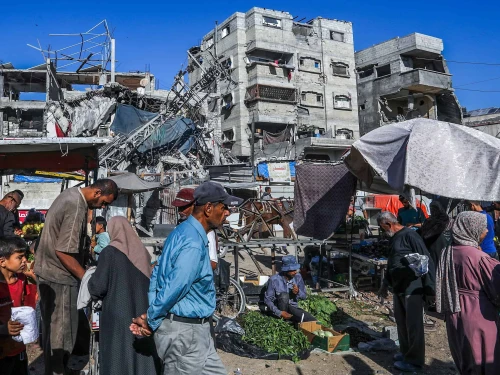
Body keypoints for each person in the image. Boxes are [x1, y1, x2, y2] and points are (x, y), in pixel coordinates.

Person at [132, 181, 242, 374]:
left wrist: (153, 314)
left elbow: (157, 274)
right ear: (208, 208)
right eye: (224, 208)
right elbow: (176, 286)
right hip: (186, 335)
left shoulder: (182, 233)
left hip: (196, 332)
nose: (227, 213)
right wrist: (152, 319)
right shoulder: (192, 242)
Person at [35, 179, 118, 375]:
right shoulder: (76, 204)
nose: (103, 207)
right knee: (61, 335)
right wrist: (86, 278)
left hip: (49, 273)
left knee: (53, 331)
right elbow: (64, 251)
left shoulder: (70, 195)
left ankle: (55, 368)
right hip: (60, 277)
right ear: (97, 193)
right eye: (105, 203)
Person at [88, 216, 160, 375]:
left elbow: (97, 287)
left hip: (117, 318)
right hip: (141, 316)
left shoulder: (109, 252)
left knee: (118, 359)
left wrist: (89, 279)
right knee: (140, 360)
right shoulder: (143, 252)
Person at [436, 211, 500, 375]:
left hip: (454, 311)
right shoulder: (479, 258)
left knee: (465, 358)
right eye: (483, 227)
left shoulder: (447, 251)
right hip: (478, 313)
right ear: (470, 229)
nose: (486, 231)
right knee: (484, 360)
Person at [377, 211, 435, 373]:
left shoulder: (411, 236)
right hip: (399, 287)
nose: (383, 231)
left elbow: (427, 260)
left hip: (412, 287)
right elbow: (392, 262)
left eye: (382, 228)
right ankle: (405, 353)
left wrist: (430, 288)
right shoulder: (394, 238)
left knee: (414, 325)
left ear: (388, 224)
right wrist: (385, 284)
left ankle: (415, 361)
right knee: (402, 323)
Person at [0, 237, 30, 374]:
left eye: (25, 256)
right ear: (3, 262)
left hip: (19, 348)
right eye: (20, 257)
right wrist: (4, 329)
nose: (24, 260)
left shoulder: (22, 279)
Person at [171, 188, 218, 270]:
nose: (180, 211)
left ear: (194, 207)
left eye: (183, 207)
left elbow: (213, 263)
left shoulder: (206, 231)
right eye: (179, 208)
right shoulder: (179, 227)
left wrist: (188, 270)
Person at [264, 255, 316, 323]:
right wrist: (279, 312)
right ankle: (283, 320)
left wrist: (298, 292)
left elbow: (304, 296)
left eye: (295, 269)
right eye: (292, 270)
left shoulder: (298, 277)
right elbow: (267, 300)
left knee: (310, 320)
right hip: (279, 308)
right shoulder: (274, 280)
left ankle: (291, 320)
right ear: (285, 270)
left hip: (292, 307)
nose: (295, 272)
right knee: (284, 296)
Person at [419, 201, 451, 268]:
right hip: (434, 245)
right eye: (431, 208)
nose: (432, 210)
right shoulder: (430, 220)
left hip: (439, 243)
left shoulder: (443, 219)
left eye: (434, 208)